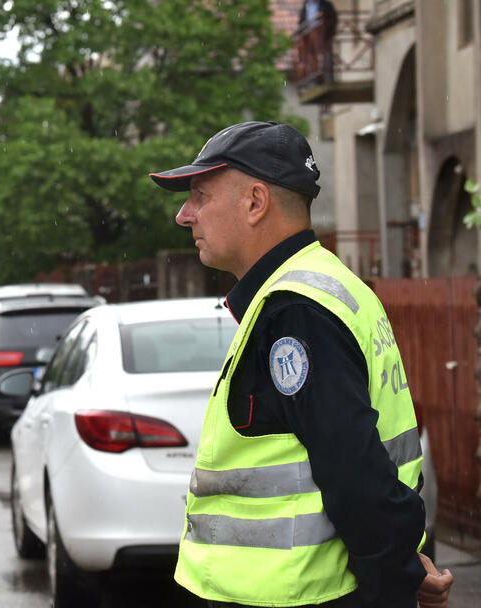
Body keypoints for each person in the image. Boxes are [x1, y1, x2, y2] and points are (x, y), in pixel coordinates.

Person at [149, 121, 454, 608]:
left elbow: (355, 474)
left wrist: (396, 578)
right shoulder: (326, 286)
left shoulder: (295, 311)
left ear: (255, 202)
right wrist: (401, 564)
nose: (185, 215)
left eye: (200, 195)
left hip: (295, 597)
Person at [298, 0, 338, 81]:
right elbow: (301, 22)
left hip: (323, 36)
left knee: (326, 55)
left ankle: (328, 77)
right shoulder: (306, 6)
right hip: (309, 36)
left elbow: (333, 19)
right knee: (311, 56)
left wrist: (328, 32)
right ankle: (314, 78)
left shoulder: (326, 5)